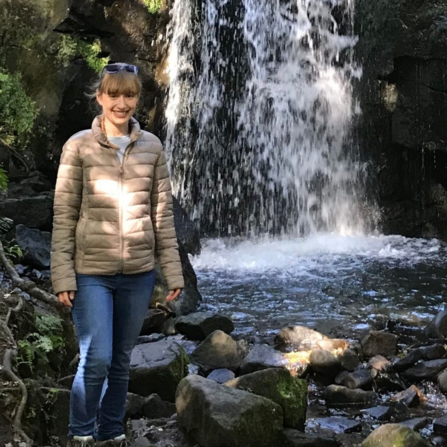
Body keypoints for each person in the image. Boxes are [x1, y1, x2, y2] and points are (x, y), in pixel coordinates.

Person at [51, 62, 184, 447]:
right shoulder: (78, 146)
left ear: (137, 99)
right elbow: (63, 214)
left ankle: (112, 432)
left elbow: (162, 216)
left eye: (129, 95)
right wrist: (62, 275)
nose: (121, 103)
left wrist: (172, 273)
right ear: (100, 97)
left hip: (139, 273)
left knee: (122, 360)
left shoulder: (153, 147)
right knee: (96, 358)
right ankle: (80, 433)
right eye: (114, 94)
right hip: (90, 271)